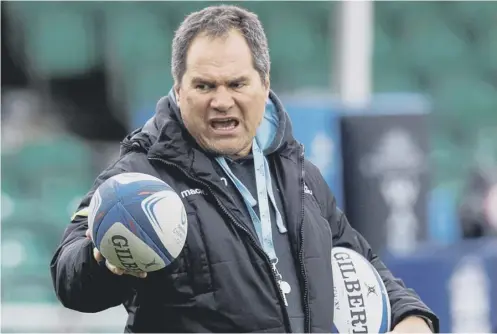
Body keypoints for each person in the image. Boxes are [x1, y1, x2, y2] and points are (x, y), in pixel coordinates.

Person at [50, 5, 439, 333]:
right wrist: (103, 260)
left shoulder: (298, 172)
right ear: (179, 89)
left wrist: (408, 314)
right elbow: (69, 276)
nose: (221, 101)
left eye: (237, 83)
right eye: (204, 86)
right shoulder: (139, 178)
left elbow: (355, 256)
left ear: (264, 84)